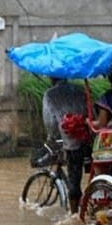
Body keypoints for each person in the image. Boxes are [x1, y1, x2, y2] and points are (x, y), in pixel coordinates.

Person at [41, 77, 90, 205]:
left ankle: (74, 215)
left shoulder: (50, 94)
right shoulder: (80, 90)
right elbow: (89, 112)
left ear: (52, 77)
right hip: (89, 138)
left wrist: (51, 138)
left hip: (70, 141)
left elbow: (50, 123)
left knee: (74, 182)